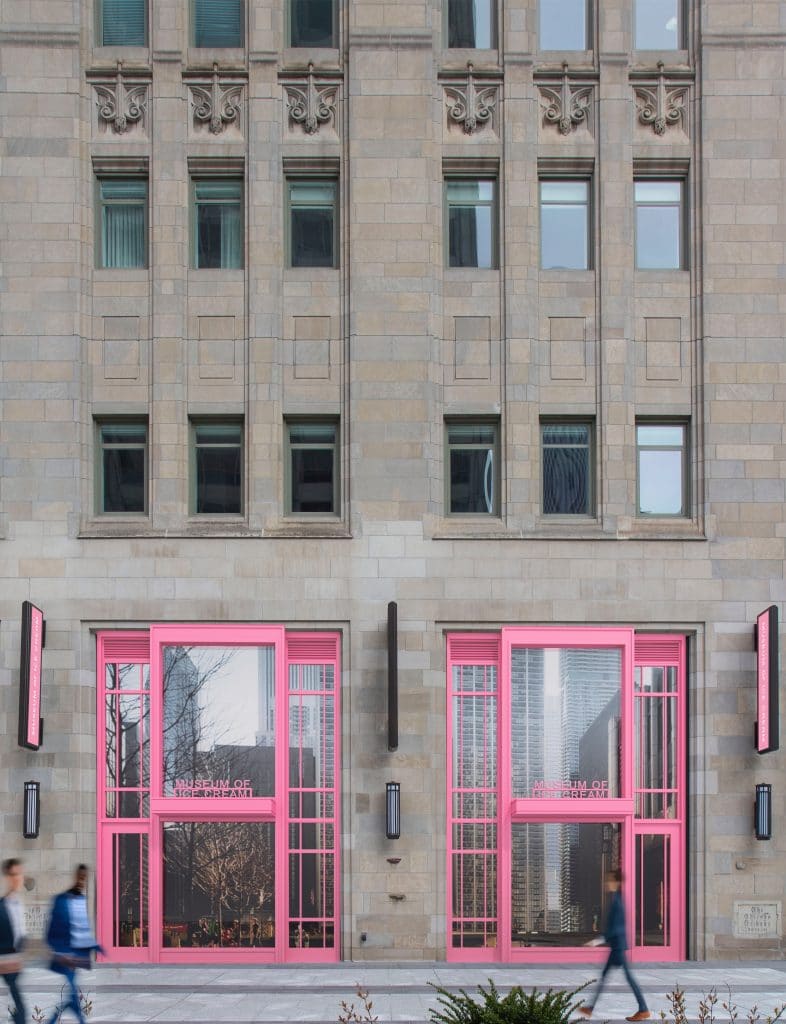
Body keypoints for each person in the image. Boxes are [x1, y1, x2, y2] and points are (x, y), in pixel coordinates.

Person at [579, 869, 650, 1022]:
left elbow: (615, 928)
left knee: (627, 978)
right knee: (607, 977)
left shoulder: (617, 902)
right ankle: (590, 1008)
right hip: (617, 947)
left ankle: (643, 1009)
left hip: (618, 947)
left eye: (610, 880)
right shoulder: (616, 899)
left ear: (617, 882)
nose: (607, 883)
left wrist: (597, 941)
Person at [45, 864, 102, 1024]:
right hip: (64, 956)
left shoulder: (81, 899)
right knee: (73, 996)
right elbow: (50, 932)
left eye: (85, 878)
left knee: (72, 998)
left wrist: (99, 948)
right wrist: (60, 951)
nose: (82, 881)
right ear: (76, 876)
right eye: (81, 877)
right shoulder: (62, 899)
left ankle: (52, 1020)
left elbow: (82, 930)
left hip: (75, 957)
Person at [0, 858, 27, 1024]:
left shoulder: (18, 904)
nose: (18, 878)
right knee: (22, 1009)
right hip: (6, 963)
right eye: (13, 874)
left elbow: (20, 935)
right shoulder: (2, 906)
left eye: (20, 874)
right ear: (7, 877)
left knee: (19, 1008)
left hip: (15, 965)